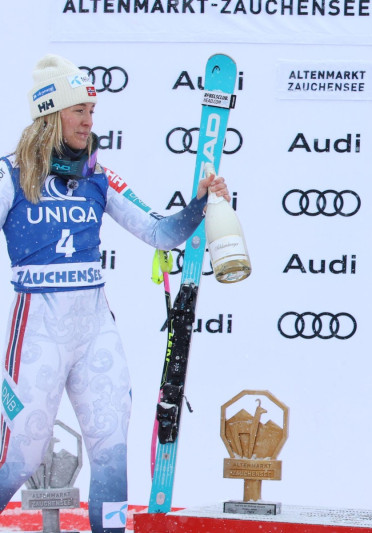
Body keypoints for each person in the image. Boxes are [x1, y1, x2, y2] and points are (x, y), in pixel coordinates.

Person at [0, 54, 230, 533]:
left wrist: (201, 205)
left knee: (110, 450)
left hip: (94, 331)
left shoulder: (99, 175)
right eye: (78, 110)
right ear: (50, 115)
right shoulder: (9, 175)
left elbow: (162, 234)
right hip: (37, 333)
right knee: (18, 458)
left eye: (91, 111)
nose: (88, 120)